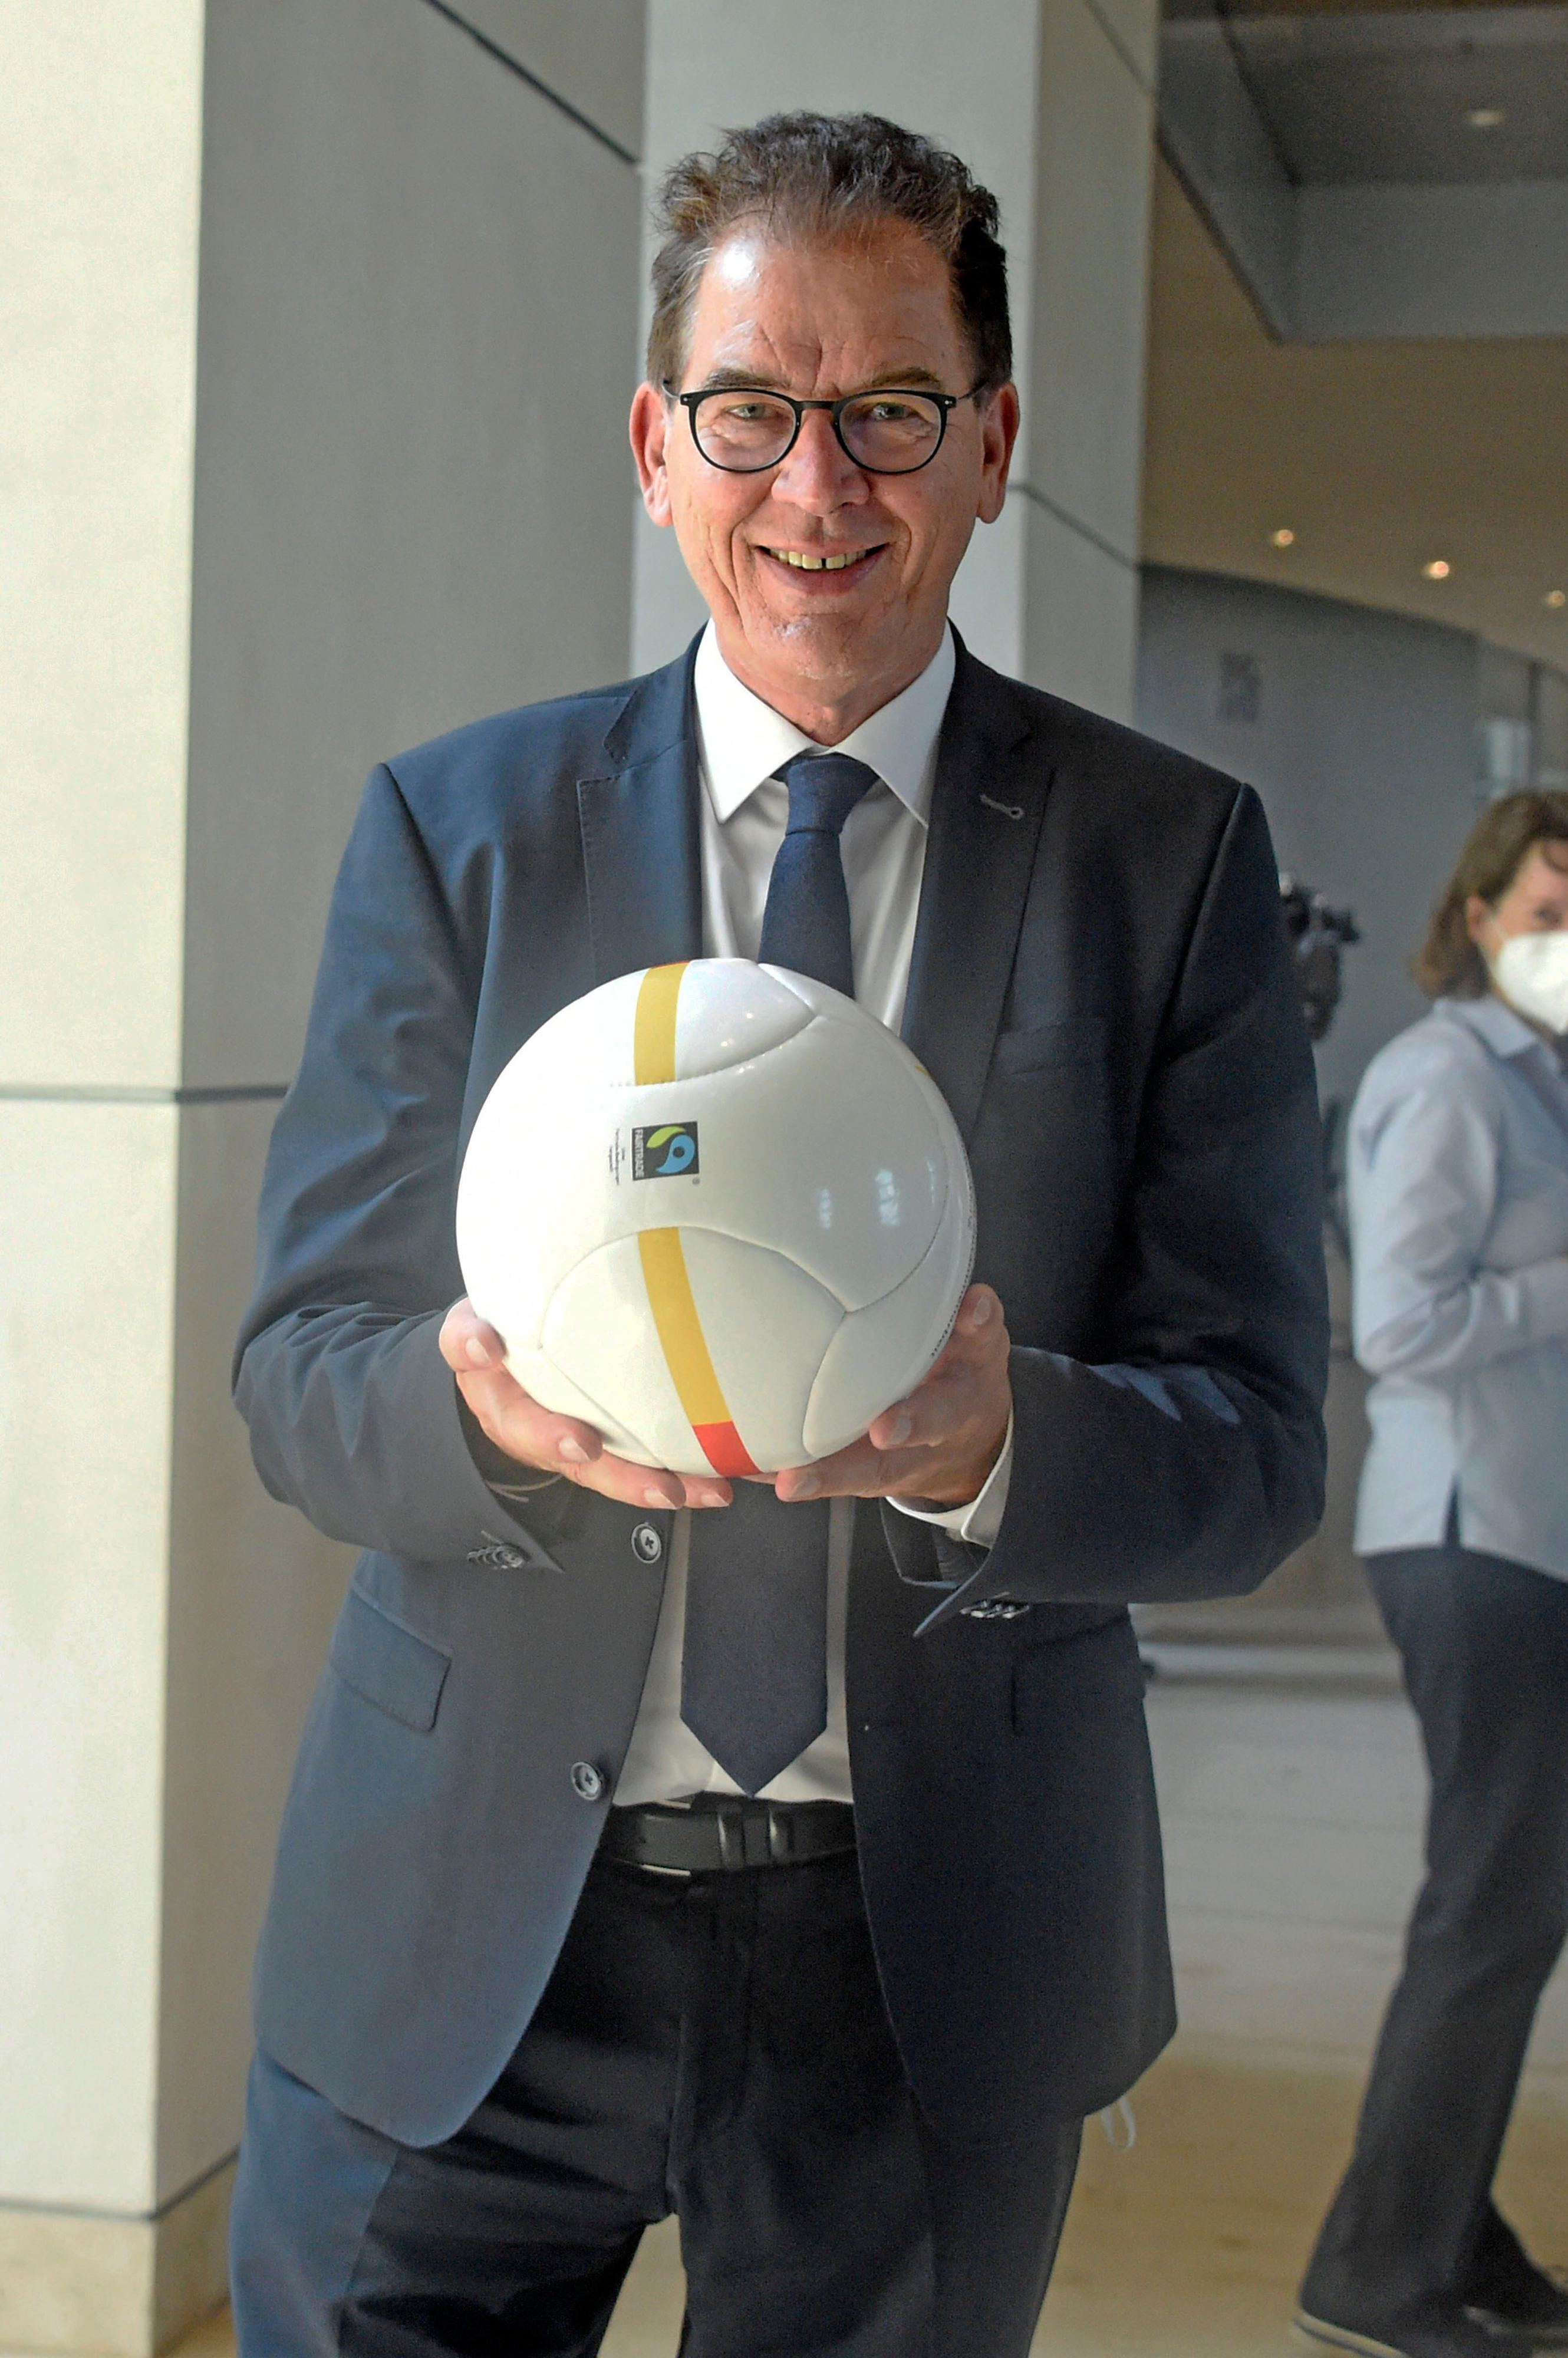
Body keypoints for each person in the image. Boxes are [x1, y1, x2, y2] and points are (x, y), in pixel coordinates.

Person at [228, 112, 1327, 2358]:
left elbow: (1252, 1452)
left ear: (993, 441)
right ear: (659, 443)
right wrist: (482, 1420)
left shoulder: (1166, 859)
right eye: (752, 411)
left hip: (924, 1965)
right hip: (462, 1944)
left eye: (890, 413)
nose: (817, 487)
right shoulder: (462, 835)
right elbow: (297, 1374)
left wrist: (994, 1444)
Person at [1297, 793, 1568, 2358]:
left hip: (1533, 1535)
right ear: (1475, 916)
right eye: (1545, 914)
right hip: (1468, 1535)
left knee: (1512, 1908)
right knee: (1490, 1909)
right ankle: (1375, 2274)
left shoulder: (1543, 1086)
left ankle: (1452, 2235)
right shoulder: (1443, 1078)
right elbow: (1395, 1326)